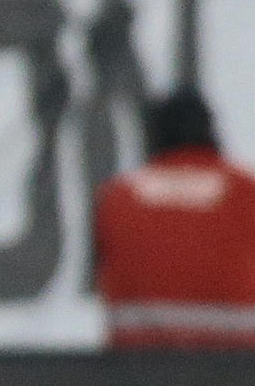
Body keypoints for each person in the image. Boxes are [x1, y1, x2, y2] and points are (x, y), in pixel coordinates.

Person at [95, 90, 255, 349]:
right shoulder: (246, 191)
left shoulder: (118, 196)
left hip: (140, 366)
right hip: (237, 368)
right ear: (211, 133)